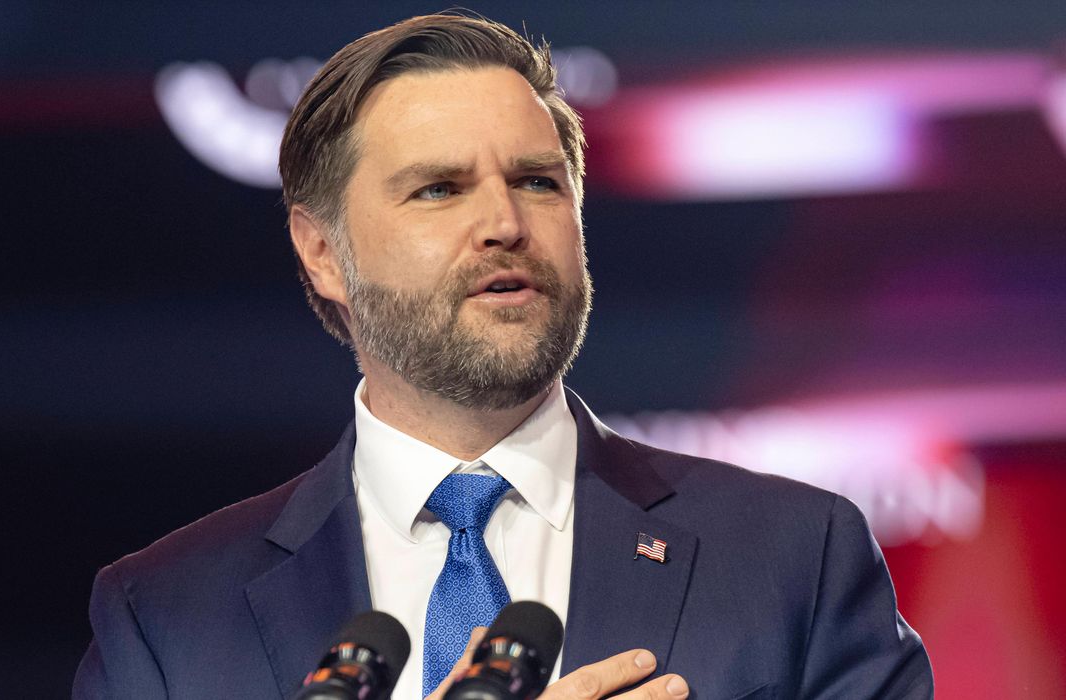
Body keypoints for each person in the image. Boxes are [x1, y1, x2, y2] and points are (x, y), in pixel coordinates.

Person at [74, 13, 933, 700]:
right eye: (439, 189)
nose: (505, 224)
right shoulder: (169, 617)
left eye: (536, 181)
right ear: (324, 252)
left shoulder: (794, 558)